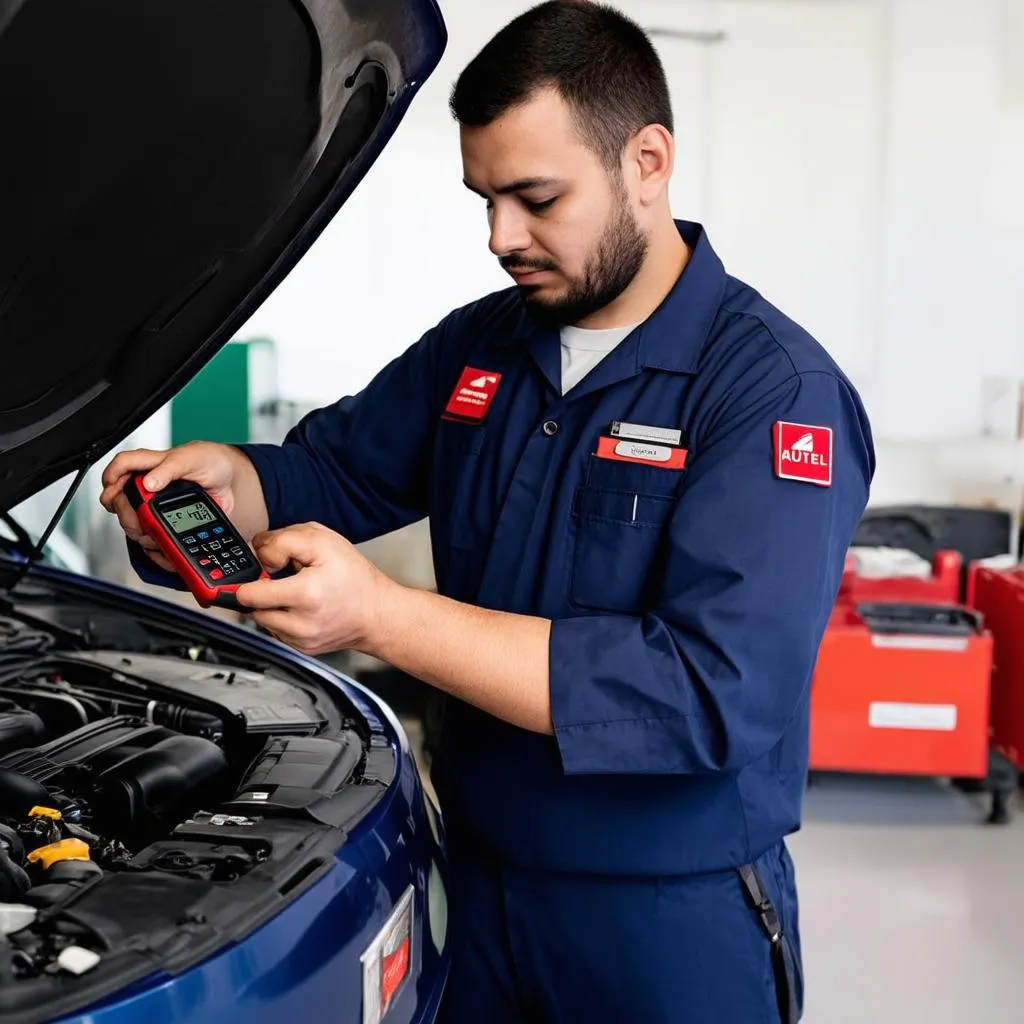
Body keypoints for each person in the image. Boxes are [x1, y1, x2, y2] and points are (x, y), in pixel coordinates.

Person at [100, 2, 874, 1021]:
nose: (501, 237)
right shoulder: (480, 351)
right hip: (474, 888)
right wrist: (229, 488)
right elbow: (323, 475)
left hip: (665, 925)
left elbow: (709, 693)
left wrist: (381, 616)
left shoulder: (769, 393)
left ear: (646, 162)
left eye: (535, 198)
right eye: (484, 199)